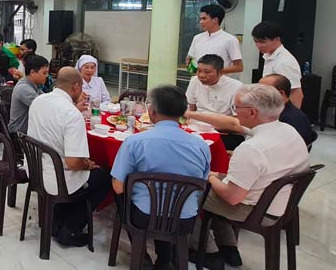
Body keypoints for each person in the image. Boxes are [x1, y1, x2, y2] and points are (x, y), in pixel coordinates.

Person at [193, 84, 309, 270]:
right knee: (217, 182)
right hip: (280, 203)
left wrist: (209, 176)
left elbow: (232, 197)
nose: (234, 112)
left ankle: (207, 252)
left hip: (256, 209)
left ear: (252, 112)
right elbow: (233, 125)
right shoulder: (288, 130)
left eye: (236, 108)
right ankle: (228, 246)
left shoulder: (252, 149)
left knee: (185, 194)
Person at [112, 85, 211, 270]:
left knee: (122, 197)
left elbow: (118, 187)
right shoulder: (202, 146)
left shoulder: (135, 142)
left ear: (152, 111)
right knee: (170, 203)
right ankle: (166, 259)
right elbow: (202, 185)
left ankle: (141, 256)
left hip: (144, 216)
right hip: (185, 219)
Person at [27, 67, 110, 247]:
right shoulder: (72, 115)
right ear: (76, 87)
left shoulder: (39, 100)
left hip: (35, 170)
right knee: (104, 177)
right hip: (56, 178)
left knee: (86, 173)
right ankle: (71, 228)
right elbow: (73, 163)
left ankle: (56, 221)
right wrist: (87, 164)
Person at [186, 54, 244, 150]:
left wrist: (210, 126)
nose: (201, 75)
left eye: (207, 72)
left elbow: (238, 121)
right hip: (196, 130)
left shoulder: (236, 87)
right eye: (199, 71)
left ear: (221, 72)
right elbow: (190, 109)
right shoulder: (194, 81)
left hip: (223, 132)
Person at [252, 21, 303, 108]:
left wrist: (291, 114)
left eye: (263, 42)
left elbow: (295, 93)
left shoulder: (284, 62)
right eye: (256, 42)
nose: (259, 45)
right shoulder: (268, 55)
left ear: (277, 39)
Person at [260, 74, 318, 146]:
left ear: (281, 93)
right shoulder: (277, 113)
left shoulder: (294, 119)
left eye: (263, 91)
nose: (258, 94)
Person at [187, 4, 243, 75]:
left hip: (220, 81)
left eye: (204, 19)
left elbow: (239, 67)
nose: (201, 22)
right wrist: (194, 71)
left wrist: (214, 73)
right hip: (197, 79)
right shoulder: (197, 38)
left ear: (215, 20)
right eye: (200, 19)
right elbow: (189, 58)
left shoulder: (230, 40)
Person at [8, 54, 50, 135]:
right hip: (19, 134)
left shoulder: (33, 85)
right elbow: (45, 107)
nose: (46, 76)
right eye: (44, 73)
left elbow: (46, 99)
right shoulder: (24, 88)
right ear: (32, 72)